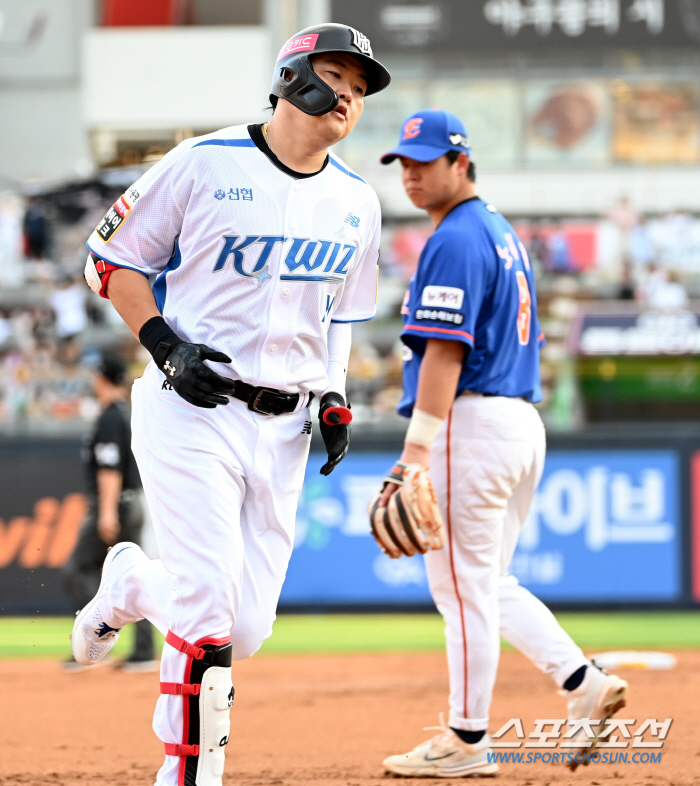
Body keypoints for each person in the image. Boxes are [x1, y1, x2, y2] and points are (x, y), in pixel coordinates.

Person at [71, 23, 389, 786]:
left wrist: (337, 393)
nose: (349, 92)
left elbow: (342, 318)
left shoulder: (357, 200)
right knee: (211, 613)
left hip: (283, 428)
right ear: (292, 77)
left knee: (246, 627)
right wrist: (162, 343)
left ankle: (132, 586)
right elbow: (105, 261)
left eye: (361, 84)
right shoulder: (204, 162)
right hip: (193, 408)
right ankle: (190, 770)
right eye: (336, 74)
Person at [377, 110, 628, 777]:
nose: (410, 173)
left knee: (462, 593)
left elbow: (442, 353)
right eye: (403, 163)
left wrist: (415, 454)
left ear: (462, 164)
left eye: (424, 162)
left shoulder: (457, 237)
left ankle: (466, 740)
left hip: (474, 424)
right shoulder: (497, 231)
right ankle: (584, 683)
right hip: (517, 423)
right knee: (486, 584)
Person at [62, 352, 156, 672]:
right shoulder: (127, 413)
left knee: (76, 569)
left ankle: (94, 638)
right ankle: (143, 651)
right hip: (133, 503)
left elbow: (109, 469)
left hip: (117, 505)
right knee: (137, 575)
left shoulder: (110, 417)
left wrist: (106, 512)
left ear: (103, 378)